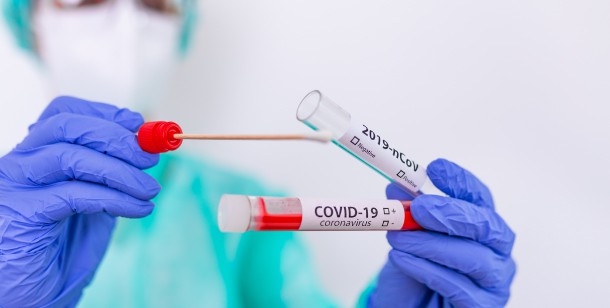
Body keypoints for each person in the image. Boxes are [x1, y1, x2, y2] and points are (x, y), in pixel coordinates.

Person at [0, 1, 516, 307]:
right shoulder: (10, 215)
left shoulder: (245, 208)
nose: (129, 26)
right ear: (30, 23)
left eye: (155, 3)